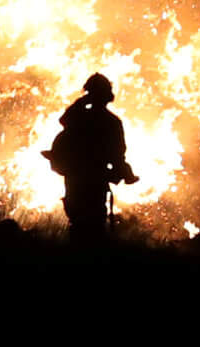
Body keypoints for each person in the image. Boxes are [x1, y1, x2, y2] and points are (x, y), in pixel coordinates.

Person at [44, 71, 138, 245]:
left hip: (76, 178)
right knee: (93, 223)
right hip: (95, 179)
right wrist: (124, 173)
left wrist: (81, 102)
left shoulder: (79, 118)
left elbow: (64, 120)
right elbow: (118, 154)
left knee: (78, 220)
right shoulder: (111, 122)